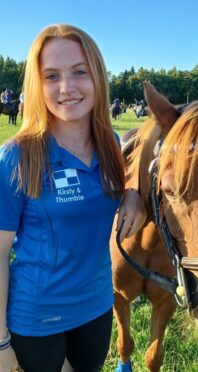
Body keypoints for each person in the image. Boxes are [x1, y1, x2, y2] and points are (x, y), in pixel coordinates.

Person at [0, 24, 146, 372]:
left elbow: (110, 191)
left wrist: (131, 196)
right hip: (37, 317)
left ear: (97, 77)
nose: (67, 88)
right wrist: (1, 341)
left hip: (97, 307)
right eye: (52, 76)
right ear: (37, 86)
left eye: (79, 72)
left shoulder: (111, 143)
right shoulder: (17, 157)